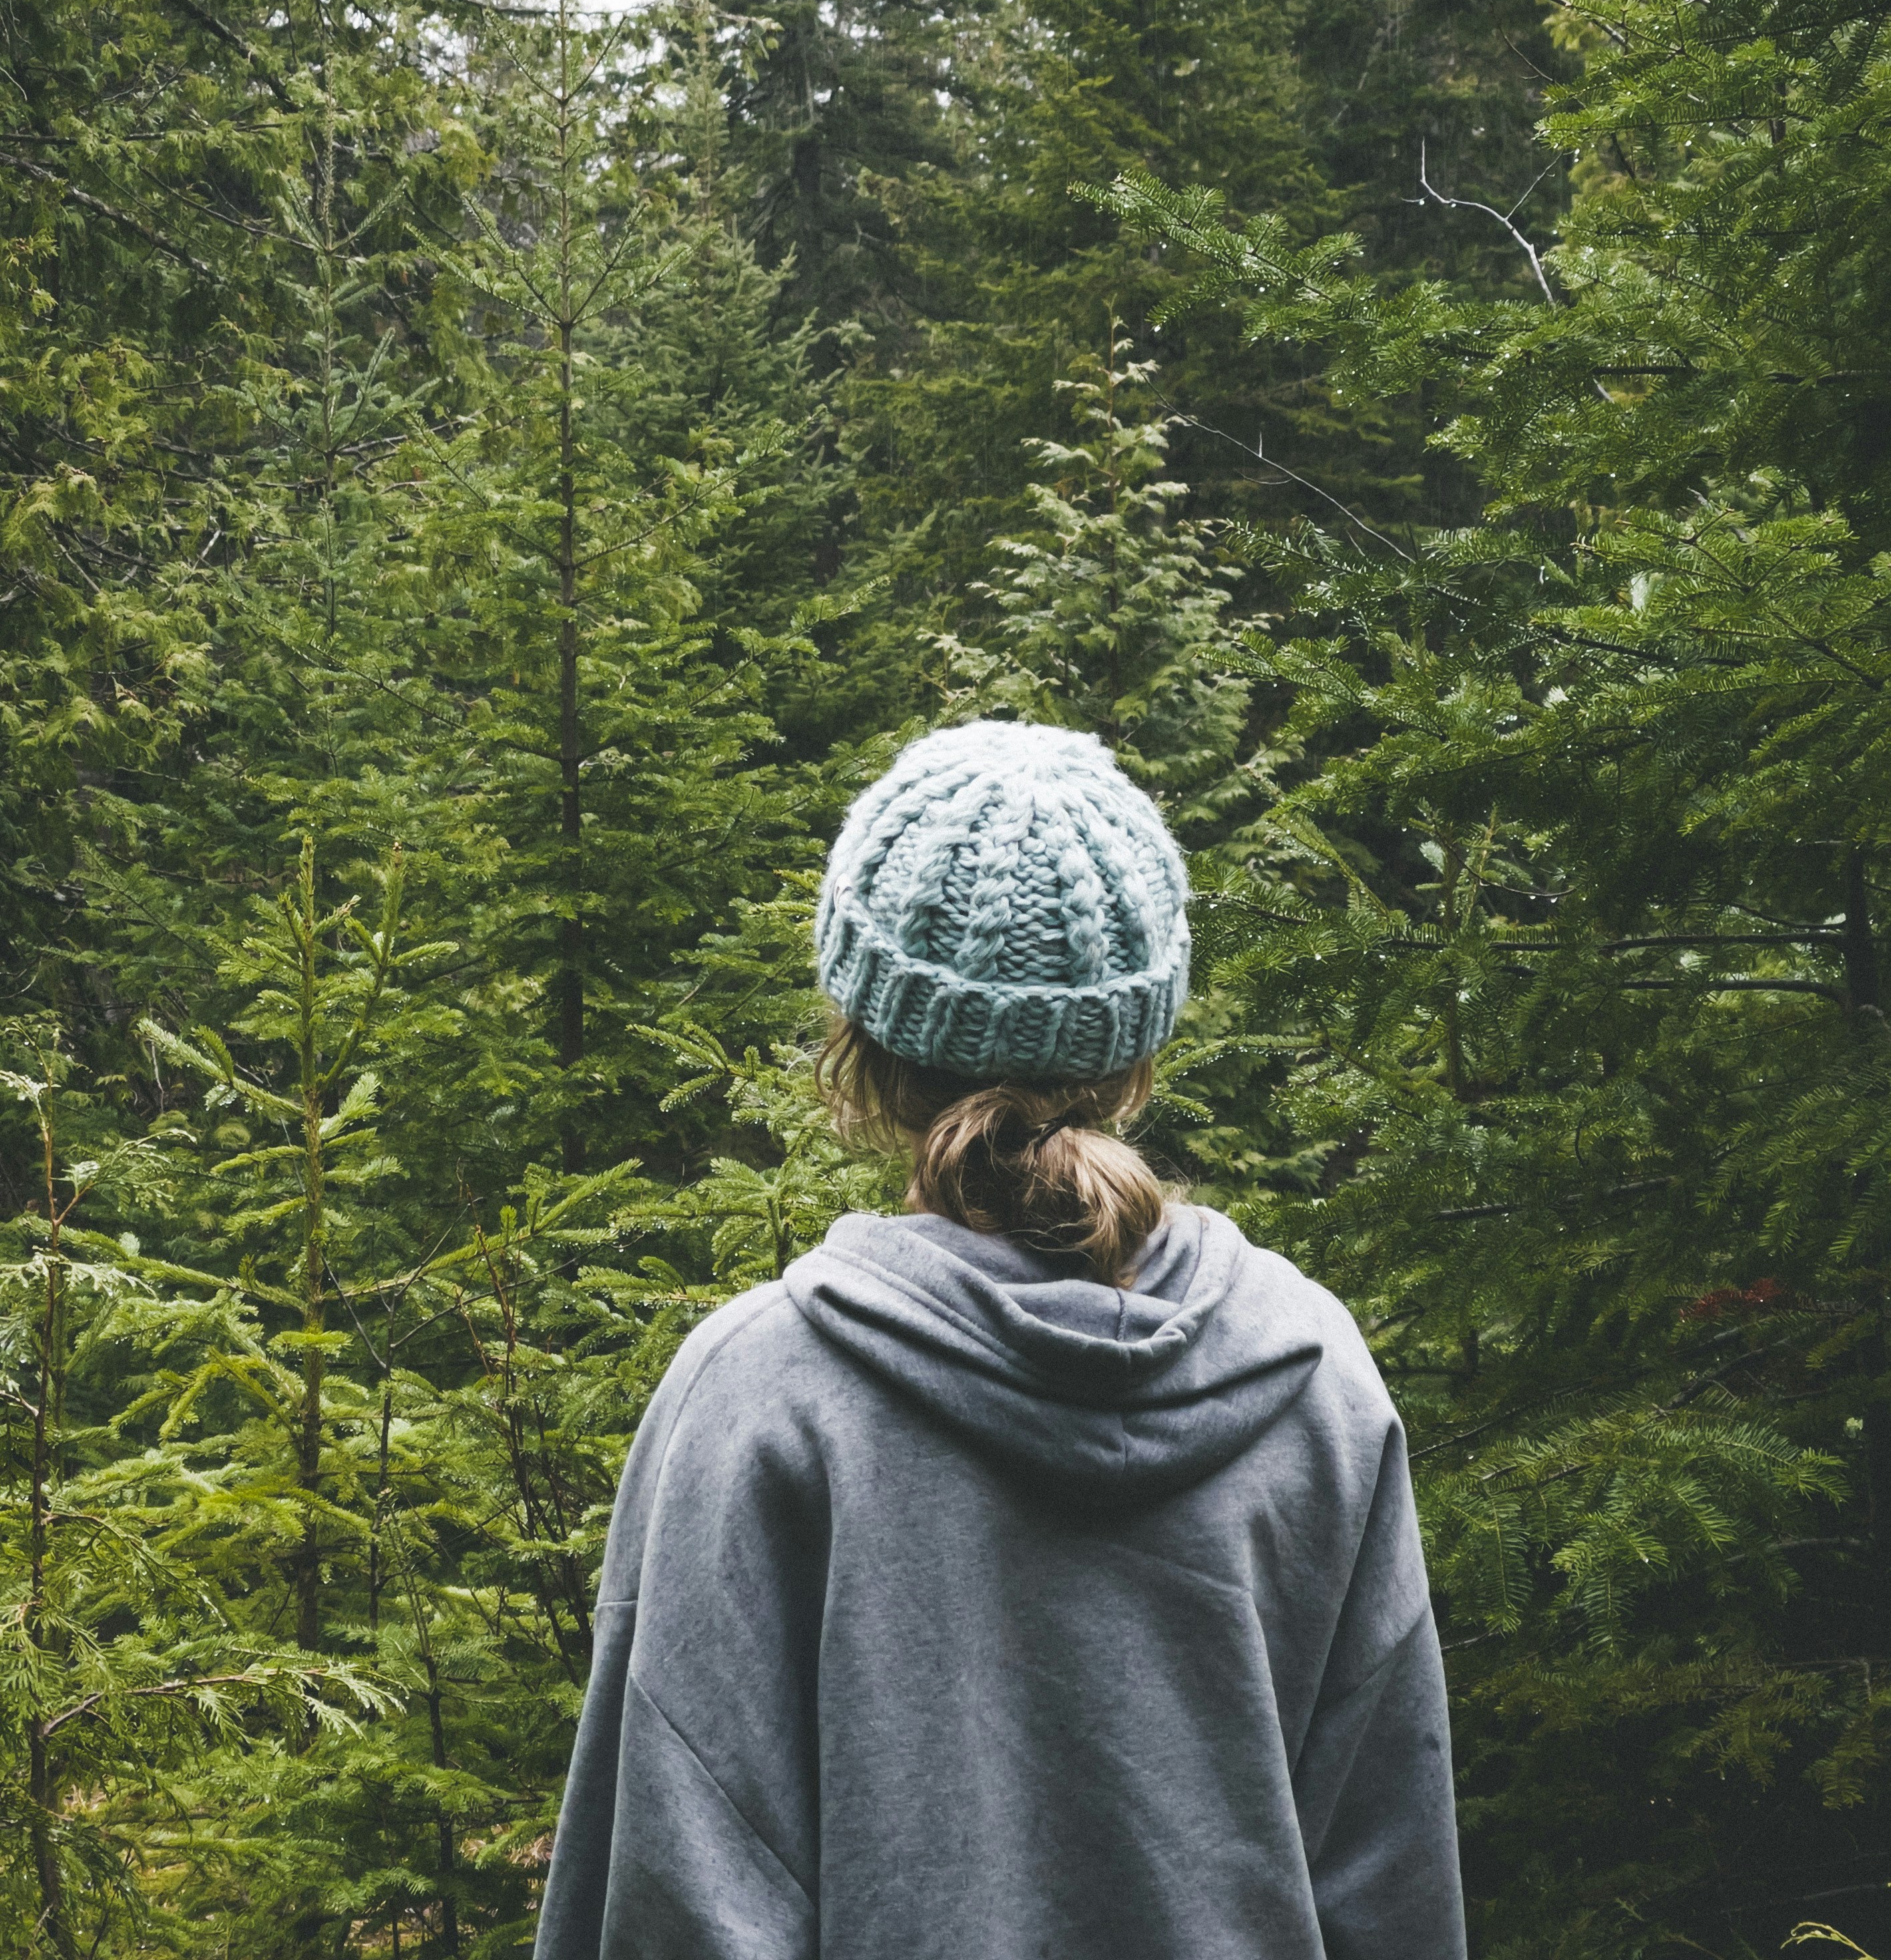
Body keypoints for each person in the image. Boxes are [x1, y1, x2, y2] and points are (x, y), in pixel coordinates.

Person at [534, 720, 1466, 1960]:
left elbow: (682, 1898)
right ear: (1140, 1042)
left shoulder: (757, 1394)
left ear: (857, 1036)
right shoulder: (1314, 1376)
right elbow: (1391, 1882)